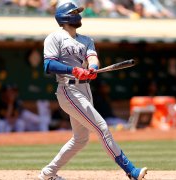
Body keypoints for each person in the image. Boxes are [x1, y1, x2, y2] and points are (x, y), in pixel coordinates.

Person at [38, 2, 147, 180]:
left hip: (85, 89)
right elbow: (48, 64)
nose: (78, 15)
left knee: (81, 139)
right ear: (64, 17)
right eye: (74, 12)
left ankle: (48, 173)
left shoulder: (86, 39)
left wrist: (93, 68)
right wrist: (73, 70)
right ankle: (131, 170)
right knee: (102, 127)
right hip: (68, 88)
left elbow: (92, 57)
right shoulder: (54, 38)